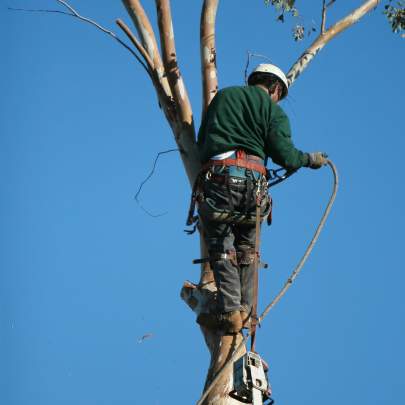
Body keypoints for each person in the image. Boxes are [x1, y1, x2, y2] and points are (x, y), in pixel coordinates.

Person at [195, 63, 328, 334]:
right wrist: (309, 159)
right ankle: (246, 311)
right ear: (276, 89)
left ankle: (231, 311)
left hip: (219, 178)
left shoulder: (223, 97)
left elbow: (201, 144)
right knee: (248, 251)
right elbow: (286, 156)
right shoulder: (273, 111)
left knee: (221, 245)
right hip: (254, 187)